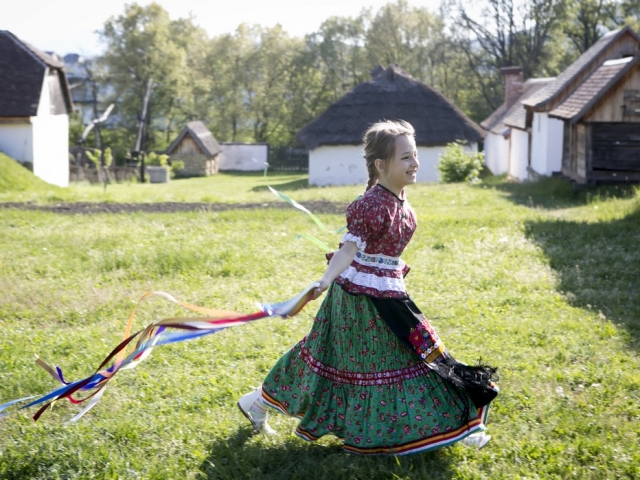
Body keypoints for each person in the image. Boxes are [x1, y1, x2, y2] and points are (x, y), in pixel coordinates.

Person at [237, 119, 498, 455]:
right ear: (381, 165)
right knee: (341, 359)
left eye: (414, 155)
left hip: (389, 296)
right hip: (359, 300)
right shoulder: (370, 205)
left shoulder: (402, 202)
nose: (414, 163)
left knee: (420, 353)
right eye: (405, 157)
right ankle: (258, 403)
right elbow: (349, 249)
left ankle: (462, 425)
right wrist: (325, 280)